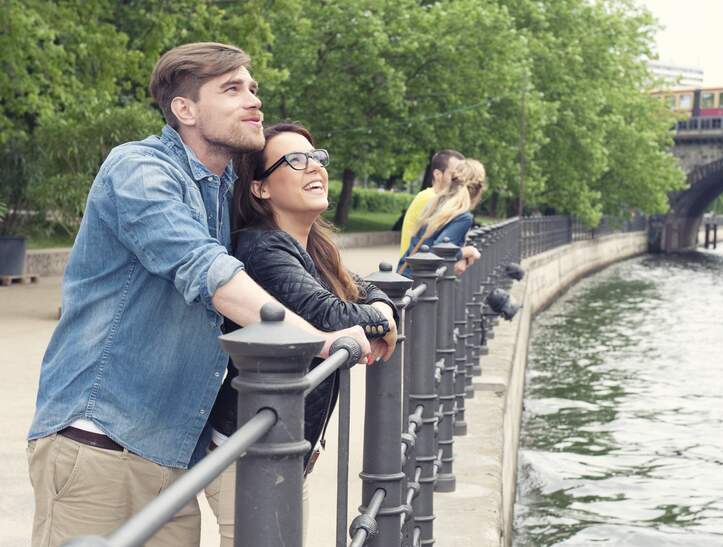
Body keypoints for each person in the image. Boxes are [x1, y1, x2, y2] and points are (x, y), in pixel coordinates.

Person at [25, 43, 370, 547]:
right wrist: (318, 341)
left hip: (172, 455)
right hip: (101, 442)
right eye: (232, 89)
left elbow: (292, 252)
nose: (253, 100)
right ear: (184, 109)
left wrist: (371, 301)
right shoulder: (140, 170)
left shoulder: (222, 184)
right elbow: (208, 272)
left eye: (253, 88)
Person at [203, 122, 398, 545]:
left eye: (317, 157)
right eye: (295, 160)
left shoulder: (313, 247)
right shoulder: (262, 248)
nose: (315, 167)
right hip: (251, 451)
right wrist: (382, 318)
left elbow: (362, 290)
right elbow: (329, 314)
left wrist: (382, 306)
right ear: (260, 188)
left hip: (286, 444)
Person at [397, 159, 487, 277]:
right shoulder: (463, 217)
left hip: (406, 275)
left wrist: (461, 257)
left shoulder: (437, 203)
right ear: (478, 189)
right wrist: (468, 251)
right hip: (419, 283)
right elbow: (440, 252)